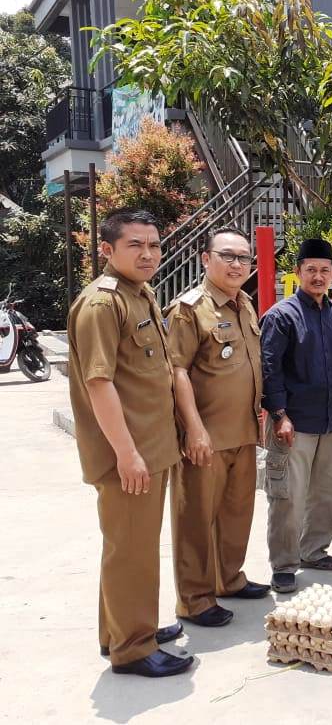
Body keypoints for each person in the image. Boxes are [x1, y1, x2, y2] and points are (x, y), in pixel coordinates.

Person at [66, 209, 193, 677]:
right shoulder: (102, 304)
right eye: (135, 244)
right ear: (108, 250)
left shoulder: (141, 295)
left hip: (150, 448)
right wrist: (127, 453)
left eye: (154, 244)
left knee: (132, 547)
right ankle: (133, 649)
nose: (148, 253)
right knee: (131, 551)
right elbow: (99, 384)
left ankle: (122, 630)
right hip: (128, 455)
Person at [165, 228, 269, 629]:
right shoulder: (189, 309)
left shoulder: (245, 305)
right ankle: (193, 599)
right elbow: (177, 371)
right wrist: (193, 429)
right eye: (228, 256)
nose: (237, 264)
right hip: (205, 437)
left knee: (236, 512)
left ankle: (229, 579)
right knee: (196, 519)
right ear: (205, 260)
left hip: (242, 432)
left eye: (244, 258)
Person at [260, 239, 332, 594]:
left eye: (324, 270)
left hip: (331, 421)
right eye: (310, 269)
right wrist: (279, 414)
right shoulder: (281, 316)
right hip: (292, 424)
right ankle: (284, 564)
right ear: (297, 273)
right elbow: (269, 369)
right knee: (287, 498)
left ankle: (314, 551)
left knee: (328, 492)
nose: (318, 276)